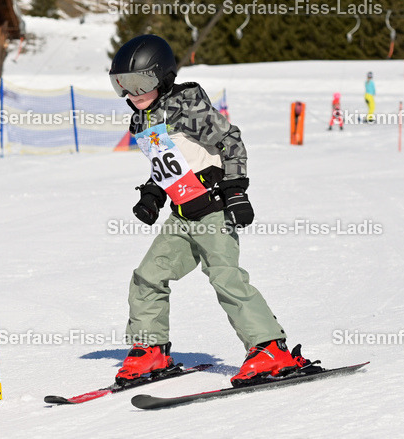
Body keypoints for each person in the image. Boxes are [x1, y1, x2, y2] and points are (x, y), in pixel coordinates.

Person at [108, 34, 319, 387]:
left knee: (225, 277)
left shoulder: (188, 108)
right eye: (123, 85)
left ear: (162, 77)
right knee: (147, 277)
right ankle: (151, 351)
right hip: (182, 214)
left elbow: (230, 142)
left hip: (214, 209)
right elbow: (169, 162)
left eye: (141, 82)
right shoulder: (144, 119)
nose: (133, 93)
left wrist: (236, 190)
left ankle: (270, 349)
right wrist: (152, 195)